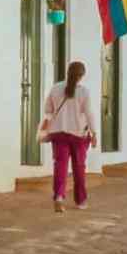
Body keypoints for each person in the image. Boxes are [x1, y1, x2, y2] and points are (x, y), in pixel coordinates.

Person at [40, 59, 98, 210]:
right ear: (81, 76)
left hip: (58, 133)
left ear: (68, 72)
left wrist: (45, 128)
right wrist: (94, 132)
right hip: (78, 134)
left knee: (60, 166)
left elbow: (47, 110)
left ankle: (59, 196)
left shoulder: (55, 88)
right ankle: (80, 201)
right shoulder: (83, 91)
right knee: (79, 168)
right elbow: (89, 113)